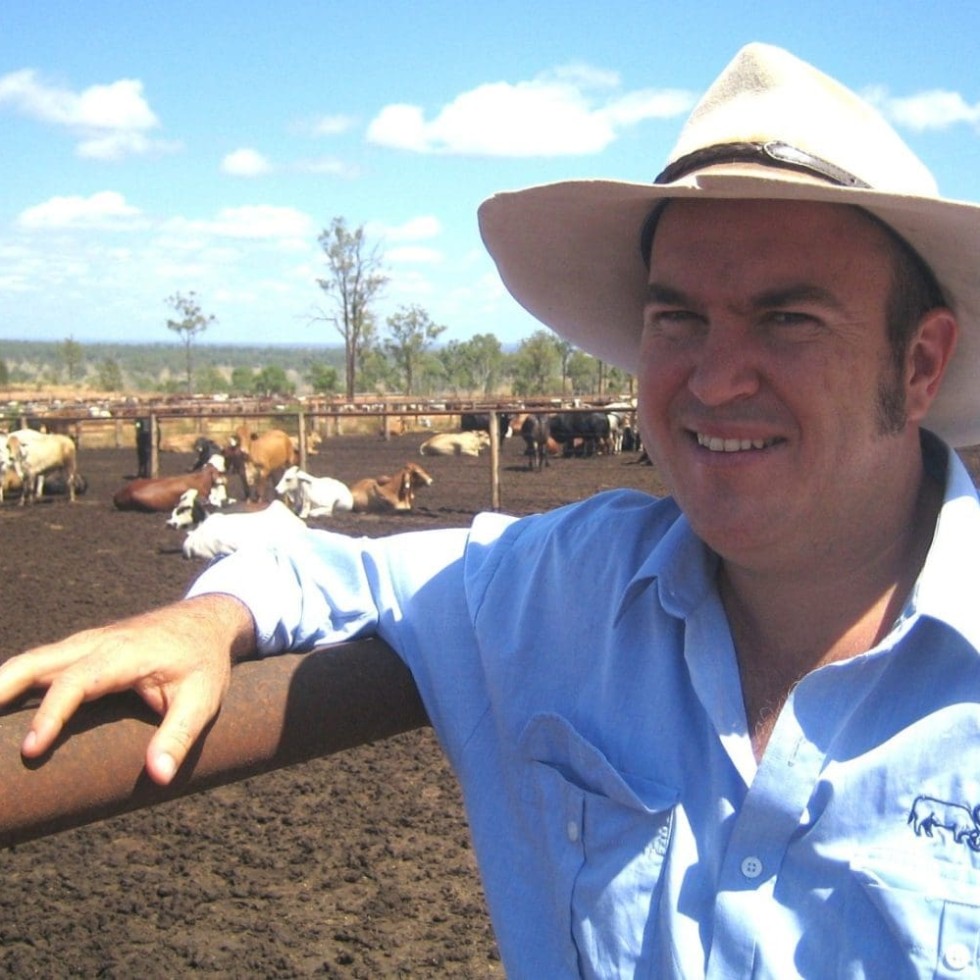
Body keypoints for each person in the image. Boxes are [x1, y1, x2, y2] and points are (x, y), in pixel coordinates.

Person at [2, 42, 980, 977]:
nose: (714, 378)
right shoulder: (563, 588)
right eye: (674, 315)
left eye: (787, 316)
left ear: (917, 360)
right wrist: (203, 618)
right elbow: (316, 566)